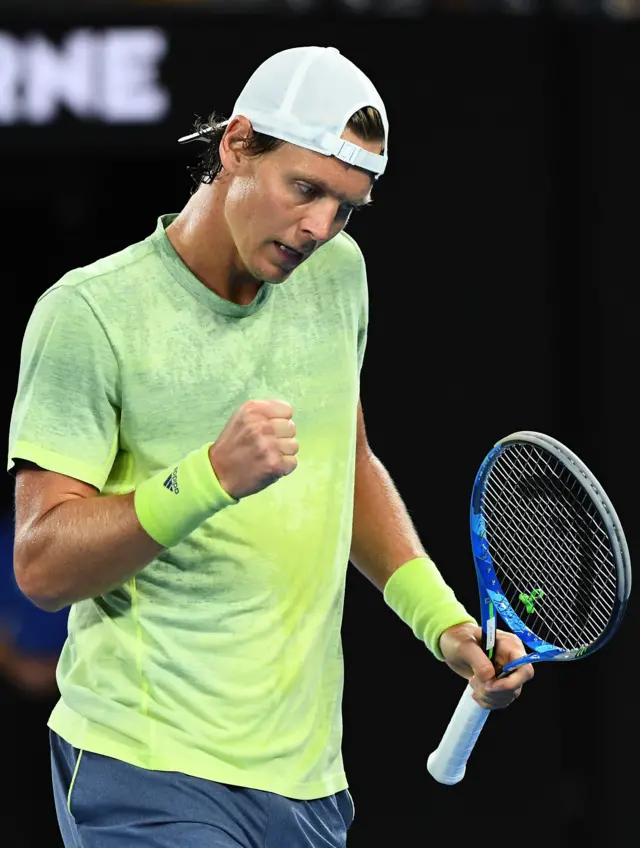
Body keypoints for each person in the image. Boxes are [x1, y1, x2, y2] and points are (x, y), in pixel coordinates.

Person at [7, 46, 533, 848]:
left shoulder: (336, 276)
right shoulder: (88, 314)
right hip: (147, 771)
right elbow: (42, 568)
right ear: (236, 145)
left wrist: (445, 626)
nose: (321, 227)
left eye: (347, 206)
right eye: (306, 189)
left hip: (307, 783)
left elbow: (344, 465)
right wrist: (209, 478)